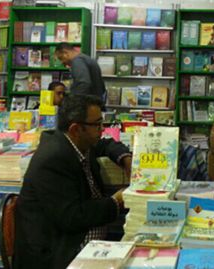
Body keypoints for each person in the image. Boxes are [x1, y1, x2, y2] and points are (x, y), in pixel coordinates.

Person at [13, 94, 132, 269]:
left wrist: (125, 158)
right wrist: (117, 201)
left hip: (84, 243)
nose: (102, 129)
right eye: (97, 124)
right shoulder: (53, 159)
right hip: (60, 253)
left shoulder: (78, 142)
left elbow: (105, 144)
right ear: (76, 129)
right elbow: (72, 217)